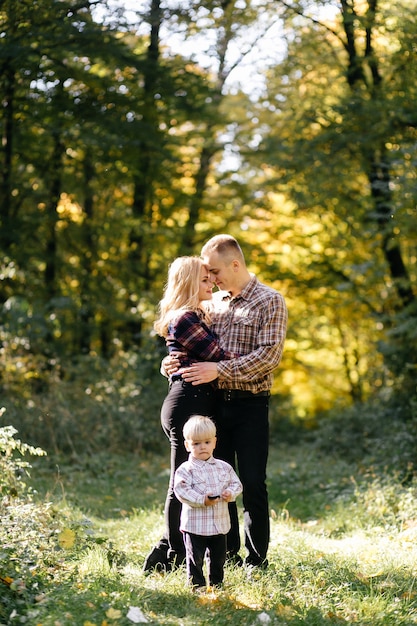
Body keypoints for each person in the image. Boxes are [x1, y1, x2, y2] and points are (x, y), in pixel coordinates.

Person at [177, 234, 288, 570]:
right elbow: (183, 337)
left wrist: (219, 369)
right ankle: (226, 554)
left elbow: (268, 357)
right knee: (216, 480)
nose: (210, 277)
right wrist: (171, 362)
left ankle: (257, 560)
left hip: (251, 405)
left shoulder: (270, 301)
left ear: (235, 264)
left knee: (252, 481)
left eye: (214, 270)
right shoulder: (213, 304)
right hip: (213, 407)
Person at [143, 256, 239, 573]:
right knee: (180, 481)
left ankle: (179, 549)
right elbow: (220, 356)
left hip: (195, 401)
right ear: (187, 283)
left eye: (211, 278)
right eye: (203, 279)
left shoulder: (197, 315)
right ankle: (174, 554)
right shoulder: (185, 318)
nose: (210, 282)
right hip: (187, 404)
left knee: (194, 477)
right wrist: (244, 359)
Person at [174, 415, 242, 590]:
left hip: (219, 523)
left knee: (218, 558)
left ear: (214, 442)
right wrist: (202, 500)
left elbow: (237, 484)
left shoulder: (224, 467)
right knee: (195, 558)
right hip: (195, 525)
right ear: (187, 445)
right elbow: (181, 491)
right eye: (196, 443)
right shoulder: (185, 470)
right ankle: (196, 585)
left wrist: (230, 493)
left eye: (206, 442)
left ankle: (217, 584)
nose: (202, 447)